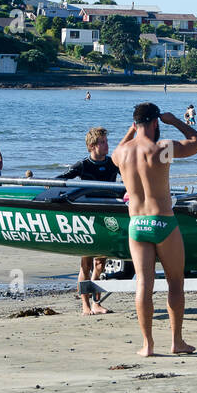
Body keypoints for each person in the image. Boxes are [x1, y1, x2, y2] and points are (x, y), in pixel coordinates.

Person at [112, 103, 197, 355]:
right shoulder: (162, 149)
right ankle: (176, 342)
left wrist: (130, 132)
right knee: (175, 282)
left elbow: (116, 151)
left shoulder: (121, 153)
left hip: (137, 224)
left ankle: (147, 345)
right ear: (156, 123)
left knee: (144, 283)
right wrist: (175, 120)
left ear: (135, 124)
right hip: (162, 221)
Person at [57, 127, 121, 316]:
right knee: (86, 263)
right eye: (103, 142)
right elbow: (61, 179)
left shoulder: (112, 163)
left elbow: (129, 177)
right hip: (88, 218)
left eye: (107, 141)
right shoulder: (83, 165)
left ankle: (96, 303)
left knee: (101, 263)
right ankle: (85, 305)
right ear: (92, 146)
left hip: (108, 215)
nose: (107, 145)